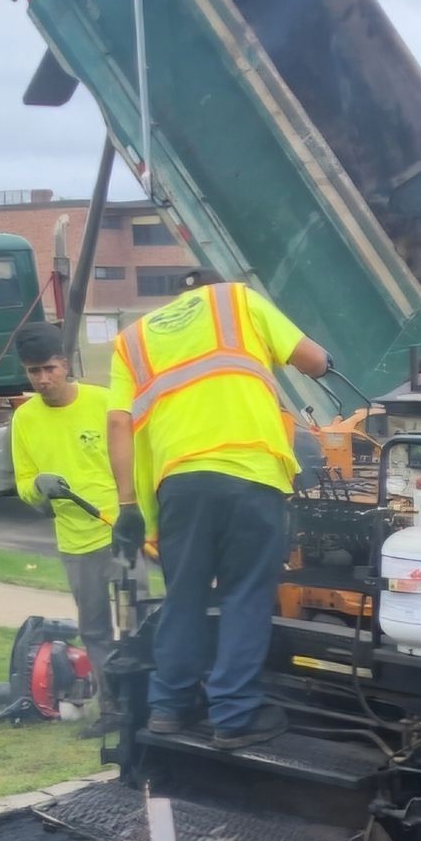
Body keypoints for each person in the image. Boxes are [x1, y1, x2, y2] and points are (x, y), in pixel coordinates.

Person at [106, 260, 329, 746]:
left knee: (184, 596)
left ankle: (168, 707)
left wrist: (128, 506)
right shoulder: (237, 300)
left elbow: (119, 424)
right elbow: (311, 360)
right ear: (216, 288)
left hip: (179, 484)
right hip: (251, 473)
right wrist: (327, 361)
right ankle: (233, 716)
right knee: (244, 594)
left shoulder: (134, 339)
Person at [10, 325, 116, 728]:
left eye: (49, 369)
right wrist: (37, 486)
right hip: (76, 541)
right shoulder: (24, 419)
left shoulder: (104, 403)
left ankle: (154, 703)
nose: (42, 379)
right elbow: (22, 484)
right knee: (95, 629)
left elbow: (137, 464)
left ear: (66, 364)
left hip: (121, 533)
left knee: (140, 622)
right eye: (33, 371)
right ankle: (112, 709)